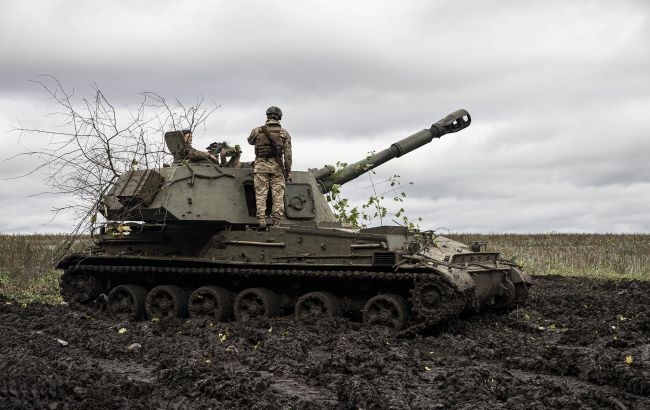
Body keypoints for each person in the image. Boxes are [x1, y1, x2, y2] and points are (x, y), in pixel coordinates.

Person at [247, 106, 292, 229]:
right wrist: (287, 171)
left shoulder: (257, 131)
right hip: (277, 168)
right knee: (277, 196)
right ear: (279, 117)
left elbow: (250, 141)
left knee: (261, 194)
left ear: (267, 117)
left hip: (260, 167)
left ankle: (261, 219)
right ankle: (276, 222)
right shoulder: (284, 133)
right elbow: (288, 155)